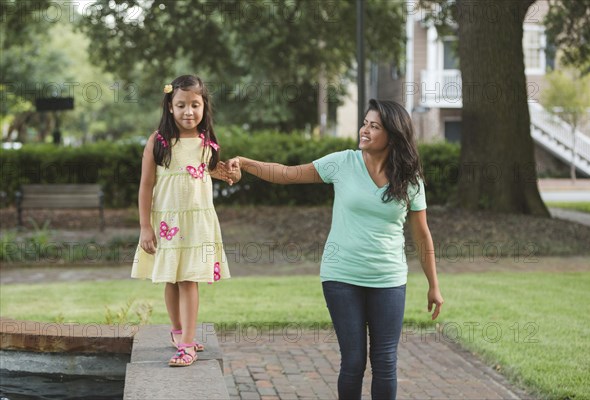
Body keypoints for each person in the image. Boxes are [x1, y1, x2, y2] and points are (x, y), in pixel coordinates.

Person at [226, 99, 443, 399]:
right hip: (341, 277)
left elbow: (422, 235)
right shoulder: (343, 163)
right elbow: (287, 174)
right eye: (365, 123)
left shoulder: (410, 179)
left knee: (384, 362)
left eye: (374, 126)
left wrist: (434, 285)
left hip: (388, 280)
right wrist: (247, 163)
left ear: (393, 136)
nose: (364, 130)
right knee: (353, 361)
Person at [132, 75, 239, 367]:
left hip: (197, 224)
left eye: (195, 104)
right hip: (168, 223)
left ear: (204, 106)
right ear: (170, 106)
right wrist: (145, 226)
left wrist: (232, 172)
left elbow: (211, 171)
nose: (188, 111)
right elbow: (145, 185)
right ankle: (178, 333)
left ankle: (187, 344)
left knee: (190, 279)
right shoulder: (159, 141)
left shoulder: (207, 142)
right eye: (181, 105)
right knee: (172, 277)